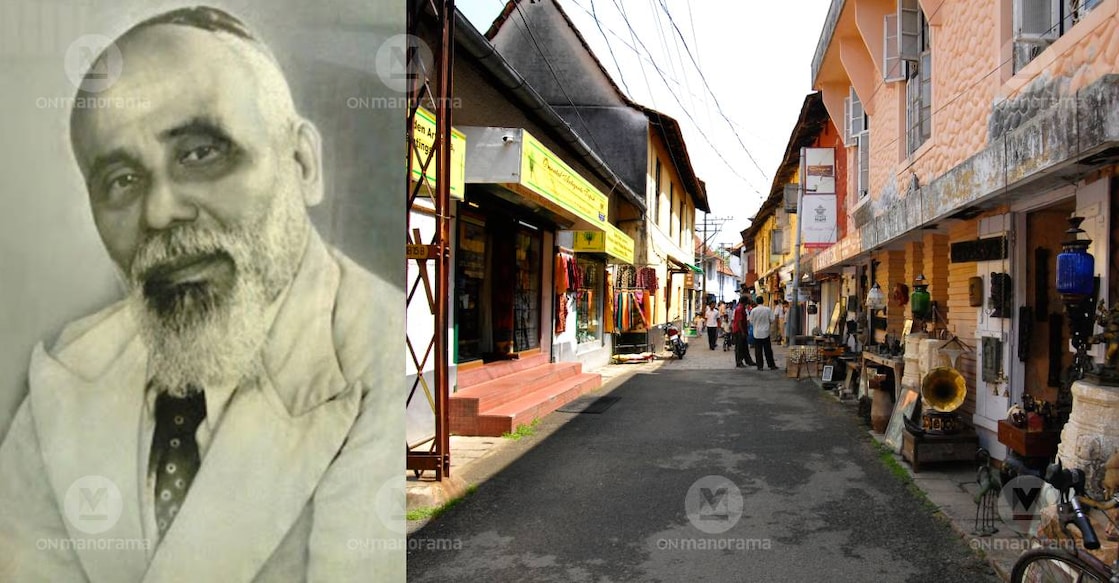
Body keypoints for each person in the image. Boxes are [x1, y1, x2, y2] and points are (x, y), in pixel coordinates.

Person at [0, 7, 402, 581]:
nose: (160, 211)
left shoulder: (380, 361)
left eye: (199, 153)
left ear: (303, 164)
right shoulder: (66, 375)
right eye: (121, 180)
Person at [750, 298, 779, 370]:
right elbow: (772, 320)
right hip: (766, 332)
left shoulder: (753, 310)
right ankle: (771, 365)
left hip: (757, 333)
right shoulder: (768, 309)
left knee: (758, 350)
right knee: (768, 350)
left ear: (756, 302)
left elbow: (751, 321)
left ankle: (760, 366)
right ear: (763, 301)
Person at [732, 297, 756, 368]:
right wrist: (742, 331)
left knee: (745, 347)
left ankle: (748, 360)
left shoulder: (742, 308)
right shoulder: (740, 309)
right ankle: (739, 362)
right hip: (739, 330)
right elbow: (739, 321)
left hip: (742, 330)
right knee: (739, 347)